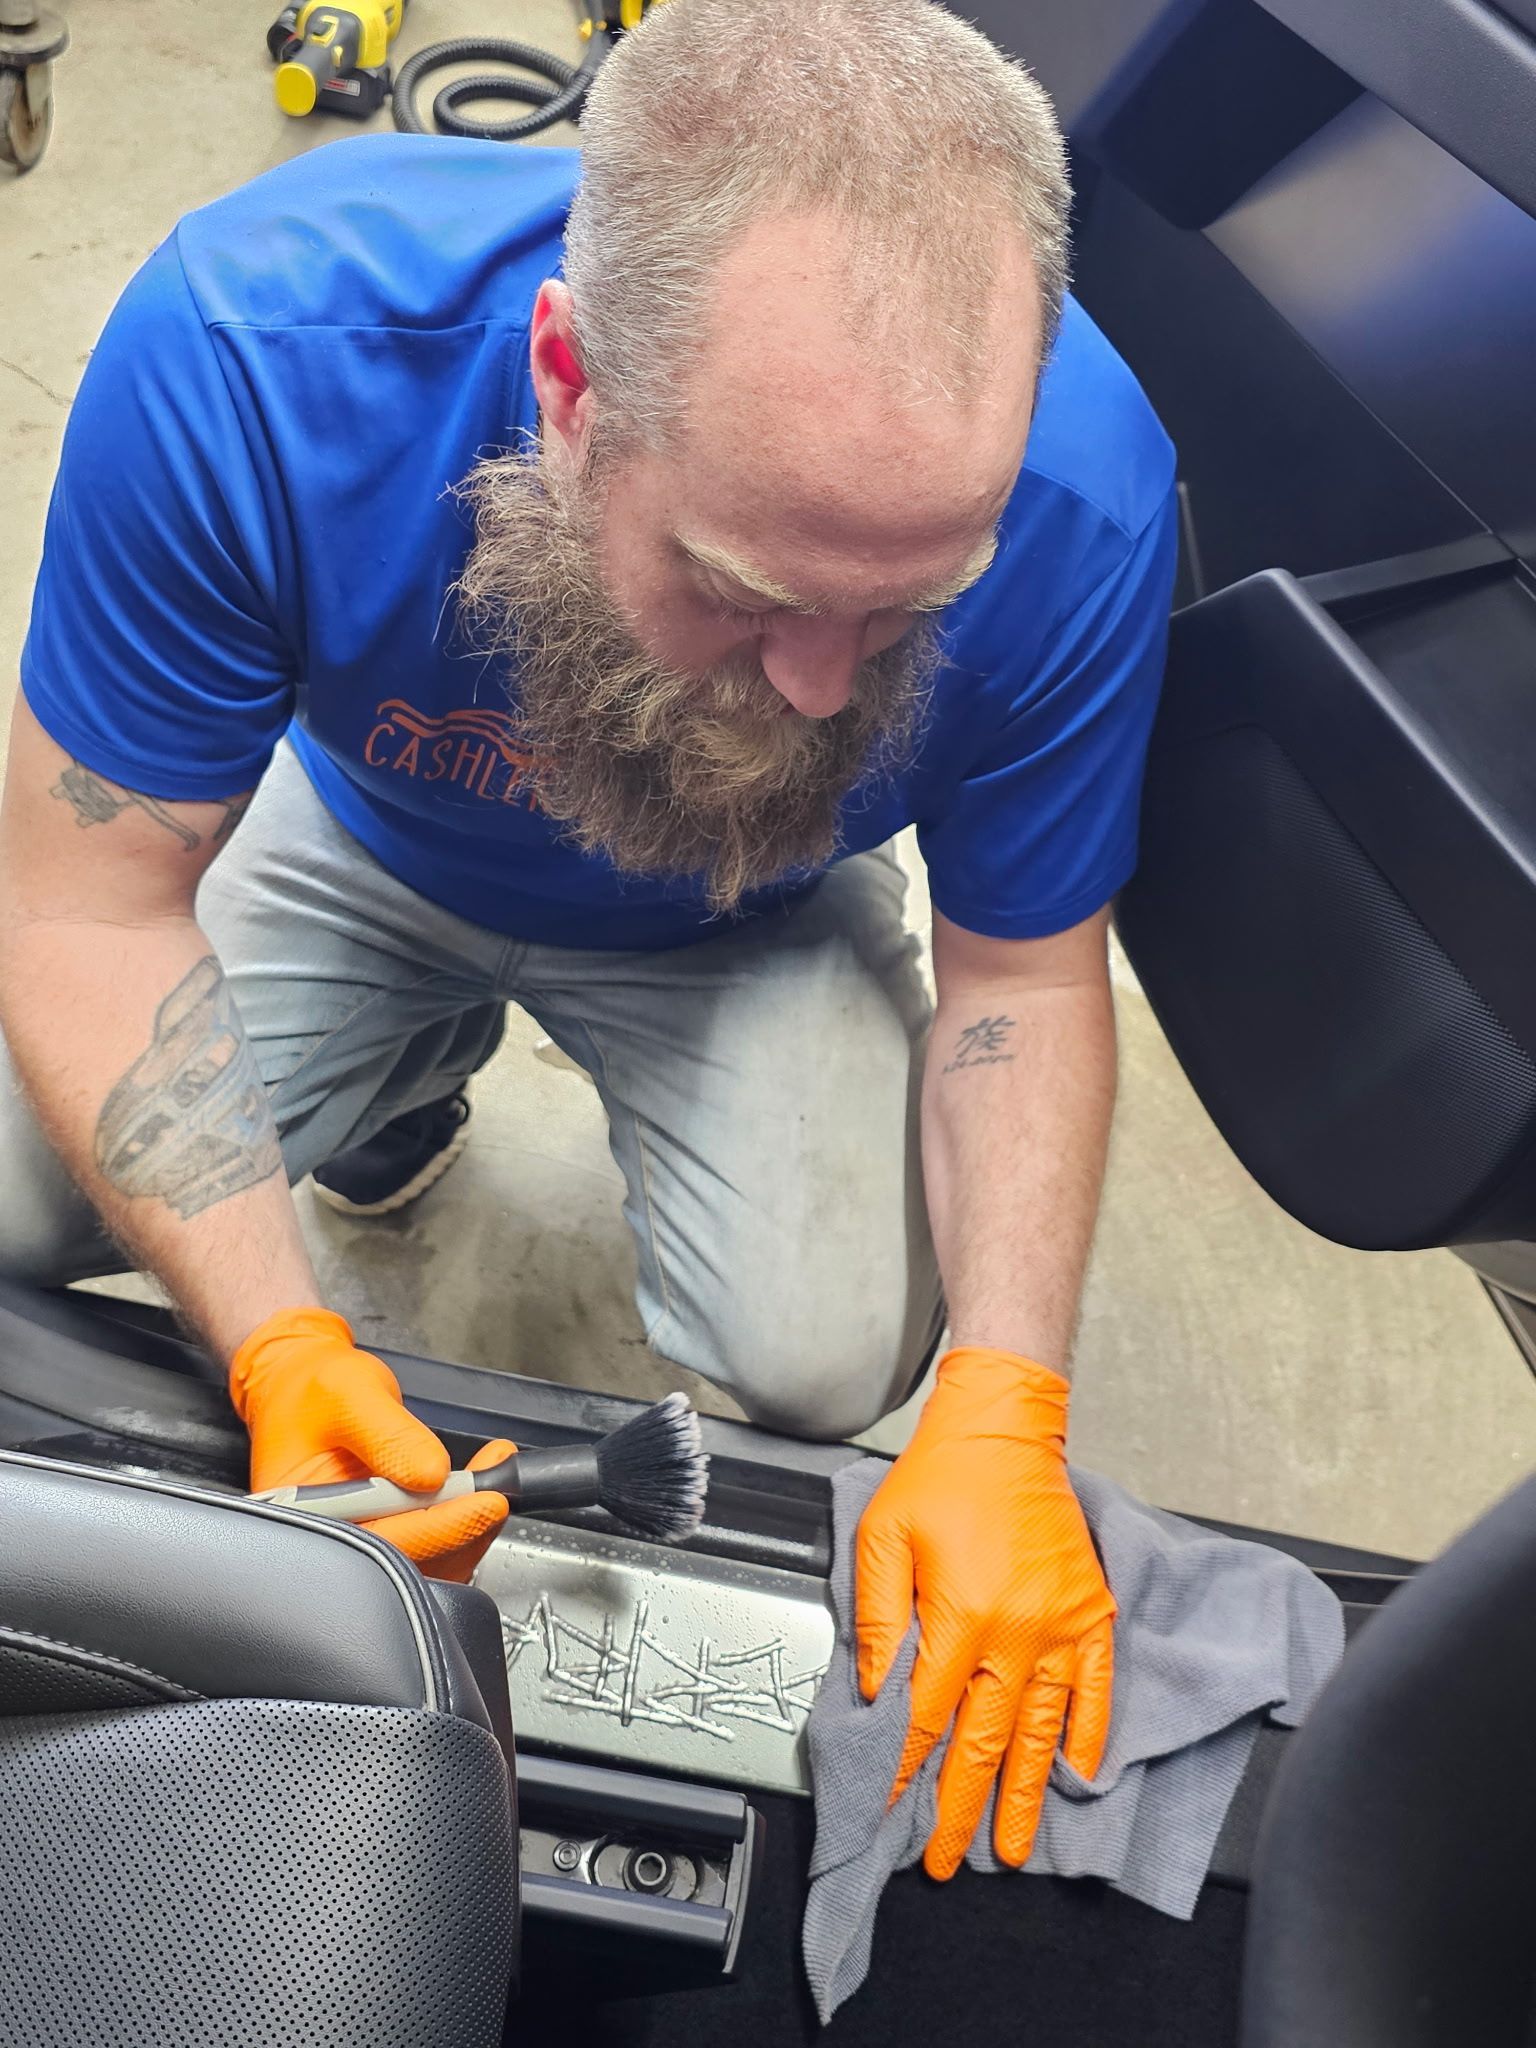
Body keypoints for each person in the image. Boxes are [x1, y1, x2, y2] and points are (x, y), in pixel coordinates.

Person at [0, 0, 1175, 1880]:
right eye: (751, 587)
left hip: (749, 917)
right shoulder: (256, 350)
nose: (817, 689)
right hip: (359, 838)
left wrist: (1009, 1401)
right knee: (13, 1189)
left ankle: (402, 1075)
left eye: (904, 614)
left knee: (828, 1343)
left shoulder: (1084, 496)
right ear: (567, 377)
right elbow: (85, 895)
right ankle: (396, 1087)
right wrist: (277, 1337)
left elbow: (1026, 977)